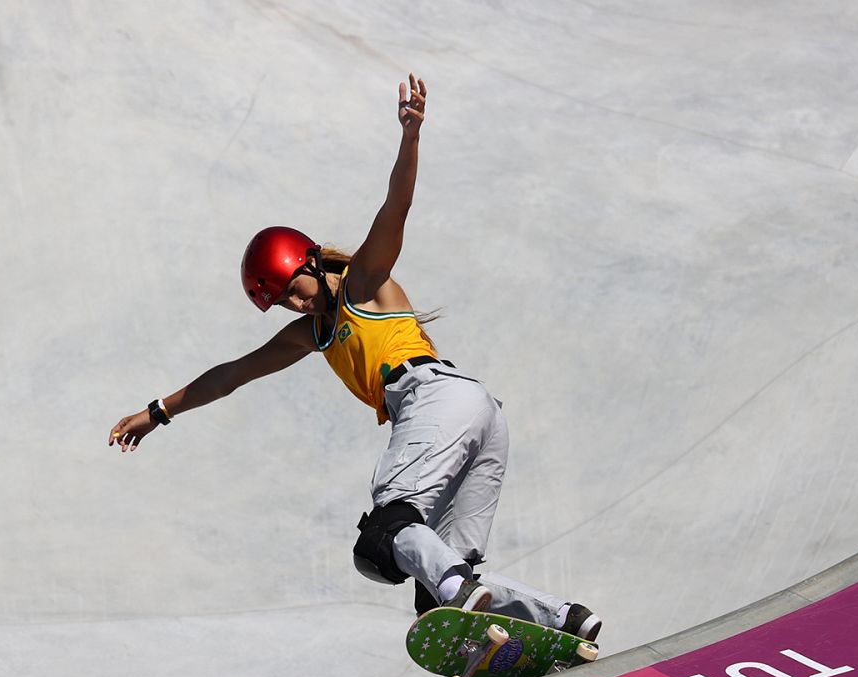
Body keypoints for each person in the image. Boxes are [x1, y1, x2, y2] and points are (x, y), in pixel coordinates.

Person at [107, 74, 601, 642]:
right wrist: (159, 411)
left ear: (311, 262)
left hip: (434, 401)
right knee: (438, 595)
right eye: (283, 303)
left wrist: (410, 136)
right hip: (479, 415)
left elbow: (397, 207)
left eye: (295, 289)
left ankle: (468, 593)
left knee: (383, 537)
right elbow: (231, 376)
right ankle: (563, 620)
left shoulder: (364, 283)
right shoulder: (312, 333)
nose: (296, 304)